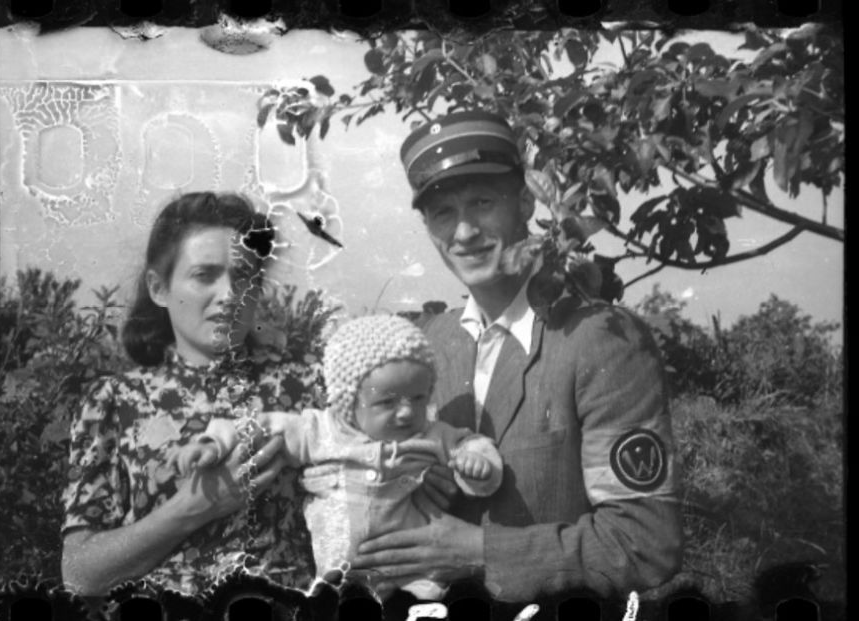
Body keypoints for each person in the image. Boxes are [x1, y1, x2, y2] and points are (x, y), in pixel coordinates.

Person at [350, 111, 683, 605]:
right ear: (427, 226)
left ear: (525, 200)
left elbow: (644, 543)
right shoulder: (421, 349)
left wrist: (478, 550)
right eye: (443, 212)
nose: (463, 232)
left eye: (482, 202)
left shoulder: (602, 339)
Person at [60, 192, 325, 596]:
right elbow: (79, 574)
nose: (229, 295)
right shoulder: (113, 401)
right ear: (159, 287)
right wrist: (193, 507)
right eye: (205, 275)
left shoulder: (308, 384)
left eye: (243, 277)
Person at [173, 314, 503, 600]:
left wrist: (478, 466)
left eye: (417, 398)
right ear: (349, 399)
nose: (406, 413)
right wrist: (215, 443)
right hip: (339, 577)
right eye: (387, 402)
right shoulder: (322, 431)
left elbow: (471, 445)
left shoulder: (431, 435)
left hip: (416, 577)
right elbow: (262, 426)